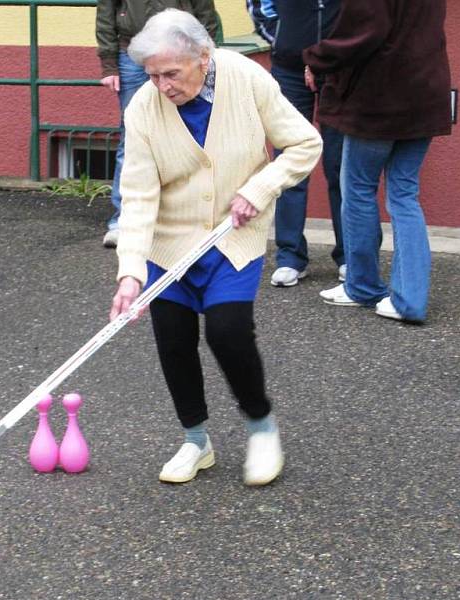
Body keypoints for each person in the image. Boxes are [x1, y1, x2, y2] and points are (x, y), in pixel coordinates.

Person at [108, 9, 322, 485]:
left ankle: (262, 427)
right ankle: (195, 441)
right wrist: (130, 272)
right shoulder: (143, 107)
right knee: (174, 340)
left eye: (171, 74)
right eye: (152, 76)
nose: (162, 86)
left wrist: (260, 190)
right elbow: (139, 196)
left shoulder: (247, 78)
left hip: (233, 233)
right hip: (169, 242)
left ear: (203, 58)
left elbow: (304, 144)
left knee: (227, 331)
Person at [303, 0, 451, 322]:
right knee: (404, 196)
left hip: (379, 100)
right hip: (425, 93)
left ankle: (363, 286)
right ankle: (409, 299)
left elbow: (361, 32)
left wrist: (315, 60)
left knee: (357, 190)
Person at [95, 0, 218, 249]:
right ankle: (124, 221)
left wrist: (210, 57)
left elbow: (205, 11)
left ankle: (190, 218)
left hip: (181, 54)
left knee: (190, 132)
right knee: (132, 136)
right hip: (131, 54)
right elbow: (106, 11)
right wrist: (108, 63)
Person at [247, 0, 348, 287]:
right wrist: (283, 38)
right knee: (290, 163)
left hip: (340, 68)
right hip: (290, 68)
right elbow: (259, 5)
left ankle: (350, 257)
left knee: (340, 165)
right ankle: (290, 256)